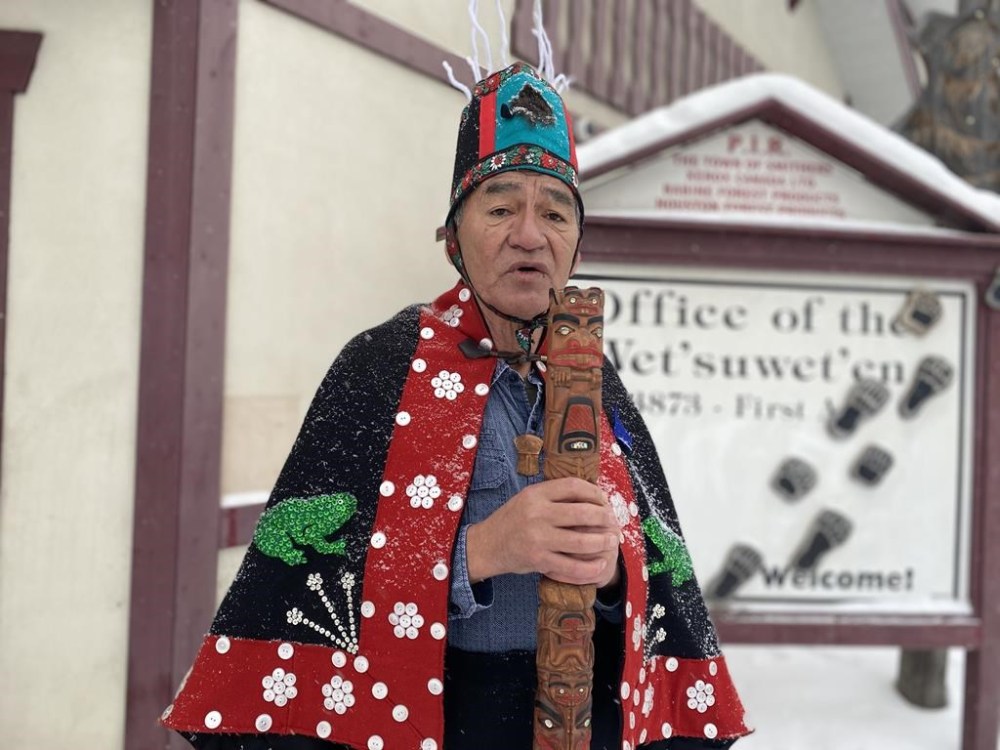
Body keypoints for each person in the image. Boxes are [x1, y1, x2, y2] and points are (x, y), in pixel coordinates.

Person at [162, 56, 749, 750]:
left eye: (554, 212)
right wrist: (479, 552)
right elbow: (308, 586)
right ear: (452, 241)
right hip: (437, 724)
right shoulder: (379, 368)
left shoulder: (599, 382)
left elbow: (660, 581)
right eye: (501, 207)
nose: (530, 234)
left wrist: (618, 570)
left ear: (576, 245)